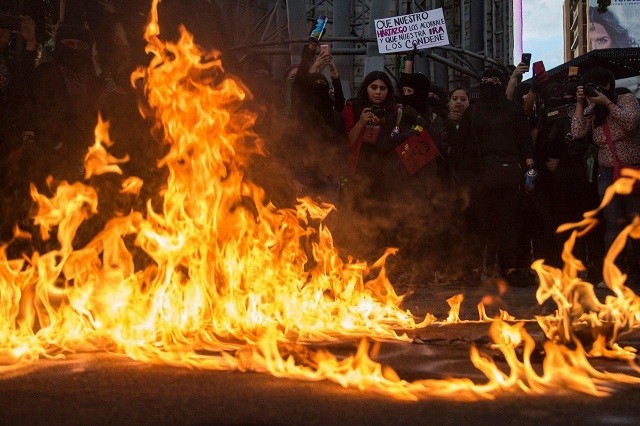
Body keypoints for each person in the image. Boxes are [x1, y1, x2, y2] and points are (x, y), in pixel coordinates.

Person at [459, 67, 536, 287]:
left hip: (508, 177)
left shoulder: (512, 110)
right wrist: (464, 175)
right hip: (479, 178)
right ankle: (474, 269)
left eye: (494, 81)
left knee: (508, 224)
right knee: (478, 224)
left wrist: (530, 166)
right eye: (487, 81)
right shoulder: (473, 111)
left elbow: (523, 139)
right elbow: (461, 145)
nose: (490, 85)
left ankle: (508, 268)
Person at [571, 66, 640, 285]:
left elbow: (630, 123)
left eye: (595, 86)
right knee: (612, 225)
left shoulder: (625, 98)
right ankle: (613, 274)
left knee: (635, 222)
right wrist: (581, 104)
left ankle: (637, 272)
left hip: (631, 170)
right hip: (606, 173)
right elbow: (577, 132)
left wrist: (607, 104)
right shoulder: (592, 109)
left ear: (607, 85)